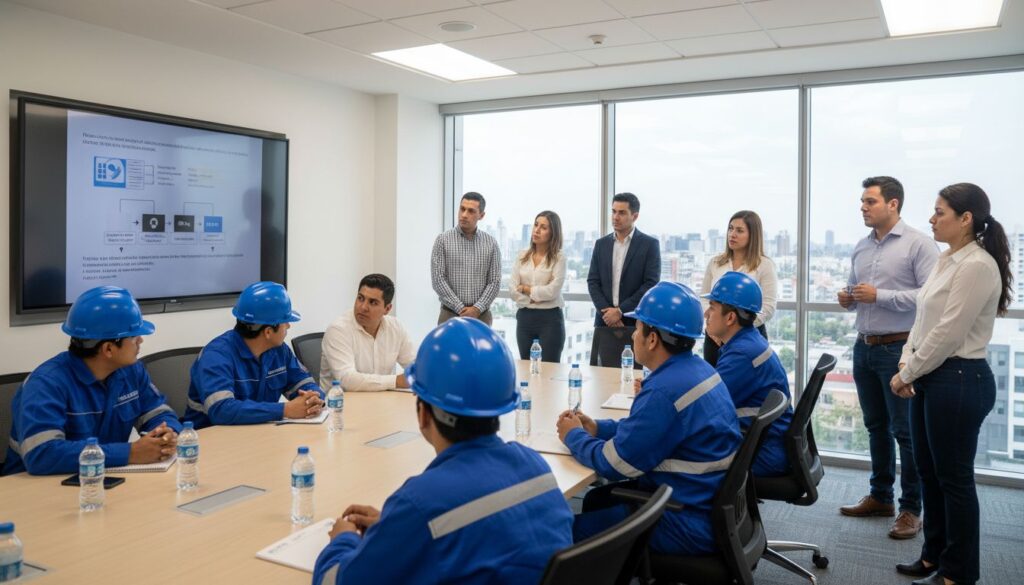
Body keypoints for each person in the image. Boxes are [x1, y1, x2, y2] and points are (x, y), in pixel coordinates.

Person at [312, 318, 573, 584]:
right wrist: (396, 528)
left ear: (423, 413)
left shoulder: (421, 502)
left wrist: (342, 540)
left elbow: (335, 581)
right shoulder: (534, 464)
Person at [557, 282, 742, 555]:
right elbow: (646, 430)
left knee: (560, 534)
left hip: (685, 520)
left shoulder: (664, 392)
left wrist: (574, 436)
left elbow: (616, 463)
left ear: (653, 339)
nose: (632, 336)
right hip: (705, 502)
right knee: (597, 499)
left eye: (638, 328)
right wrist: (598, 428)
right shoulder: (697, 369)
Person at [891, 183, 1011, 585]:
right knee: (929, 473)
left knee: (954, 480)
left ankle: (958, 573)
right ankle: (933, 557)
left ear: (966, 219)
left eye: (939, 212)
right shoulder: (947, 259)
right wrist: (908, 361)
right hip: (933, 376)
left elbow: (948, 331)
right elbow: (923, 321)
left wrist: (908, 373)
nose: (931, 218)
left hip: (960, 380)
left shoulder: (976, 265)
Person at [838, 176, 938, 540]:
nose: (863, 207)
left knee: (905, 433)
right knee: (875, 427)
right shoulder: (861, 247)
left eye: (870, 201)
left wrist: (879, 296)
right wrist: (848, 298)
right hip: (864, 346)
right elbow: (857, 291)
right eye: (862, 202)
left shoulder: (919, 245)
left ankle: (912, 508)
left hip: (898, 349)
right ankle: (881, 497)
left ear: (893, 204)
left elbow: (929, 298)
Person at [3, 286, 181, 475]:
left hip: (99, 478)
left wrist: (166, 433)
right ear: (109, 349)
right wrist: (130, 453)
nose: (140, 342)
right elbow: (42, 455)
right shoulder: (45, 384)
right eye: (134, 337)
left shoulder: (130, 371)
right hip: (33, 491)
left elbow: (158, 411)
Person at [183, 281, 324, 428]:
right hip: (210, 442)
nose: (289, 325)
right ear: (268, 332)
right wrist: (285, 409)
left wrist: (313, 399)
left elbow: (304, 383)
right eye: (285, 322)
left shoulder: (279, 350)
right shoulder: (216, 356)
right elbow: (222, 410)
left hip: (259, 434)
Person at [703, 272, 793, 477]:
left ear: (731, 317)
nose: (706, 314)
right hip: (765, 443)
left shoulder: (742, 355)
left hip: (762, 453)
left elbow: (706, 406)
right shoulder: (747, 342)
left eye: (712, 307)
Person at [700, 210, 778, 367]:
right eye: (730, 228)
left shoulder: (764, 265)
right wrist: (710, 327)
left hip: (749, 337)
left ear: (753, 235)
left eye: (739, 230)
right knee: (714, 386)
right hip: (715, 337)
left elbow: (768, 307)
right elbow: (704, 299)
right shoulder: (715, 263)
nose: (732, 234)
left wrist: (734, 330)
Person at [320, 274, 416, 392]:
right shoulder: (338, 330)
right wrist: (396, 381)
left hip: (380, 402)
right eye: (360, 298)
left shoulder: (396, 327)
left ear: (387, 309)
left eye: (373, 302)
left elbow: (415, 366)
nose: (363, 307)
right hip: (340, 405)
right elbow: (346, 380)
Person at [587, 192, 660, 328]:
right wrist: (608, 314)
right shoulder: (601, 244)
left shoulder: (649, 245)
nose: (615, 217)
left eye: (622, 213)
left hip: (634, 321)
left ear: (635, 216)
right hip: (604, 320)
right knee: (604, 351)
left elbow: (651, 284)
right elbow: (593, 281)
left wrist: (620, 311)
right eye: (613, 212)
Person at [431, 192, 501, 326]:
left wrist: (476, 309)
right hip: (449, 314)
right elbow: (438, 279)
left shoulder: (491, 243)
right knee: (449, 348)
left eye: (471, 211)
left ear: (481, 215)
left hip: (481, 316)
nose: (464, 215)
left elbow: (494, 282)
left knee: (480, 348)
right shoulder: (443, 240)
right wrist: (460, 308)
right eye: (462, 209)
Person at [510, 210, 566, 362]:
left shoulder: (559, 258)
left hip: (550, 319)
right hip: (525, 318)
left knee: (550, 368)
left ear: (553, 233)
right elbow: (512, 289)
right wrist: (532, 299)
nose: (537, 230)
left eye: (543, 227)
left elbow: (553, 291)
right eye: (536, 225)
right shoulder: (522, 255)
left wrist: (527, 289)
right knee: (526, 366)